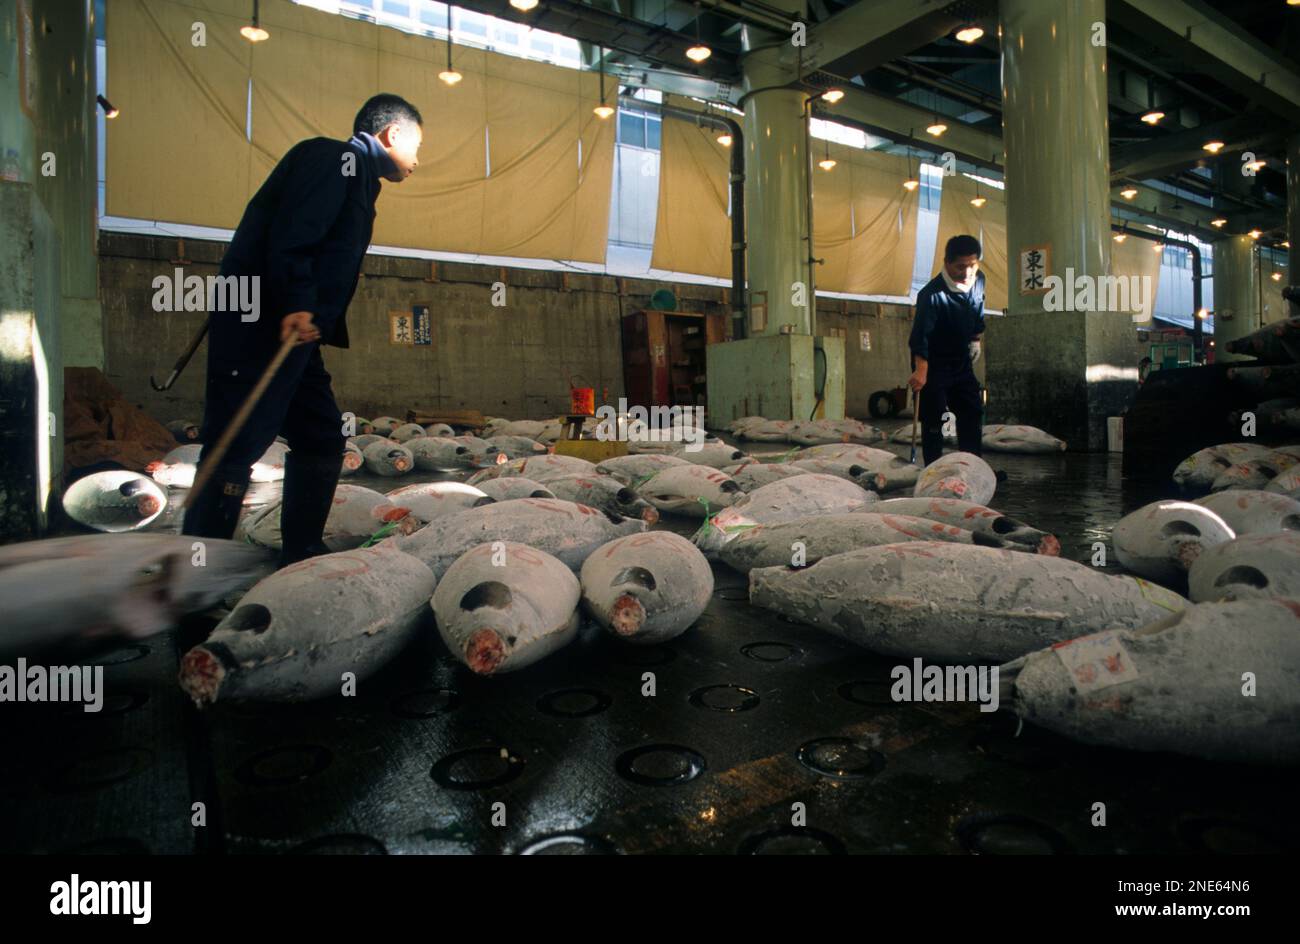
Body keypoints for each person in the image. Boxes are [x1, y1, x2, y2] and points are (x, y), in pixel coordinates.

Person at [184, 94, 423, 566]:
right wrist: (296, 302)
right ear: (393, 134)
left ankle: (301, 550)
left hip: (298, 331)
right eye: (417, 145)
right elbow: (295, 233)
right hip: (266, 323)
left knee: (320, 436)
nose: (418, 159)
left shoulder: (358, 179)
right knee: (236, 442)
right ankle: (195, 568)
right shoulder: (336, 160)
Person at [907, 234, 986, 466]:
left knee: (971, 409)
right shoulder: (931, 295)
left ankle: (972, 466)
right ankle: (933, 467)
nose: (967, 273)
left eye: (972, 265)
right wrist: (921, 370)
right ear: (947, 262)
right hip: (933, 361)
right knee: (935, 415)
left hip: (961, 358)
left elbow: (978, 307)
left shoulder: (978, 279)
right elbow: (920, 336)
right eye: (960, 267)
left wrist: (975, 338)